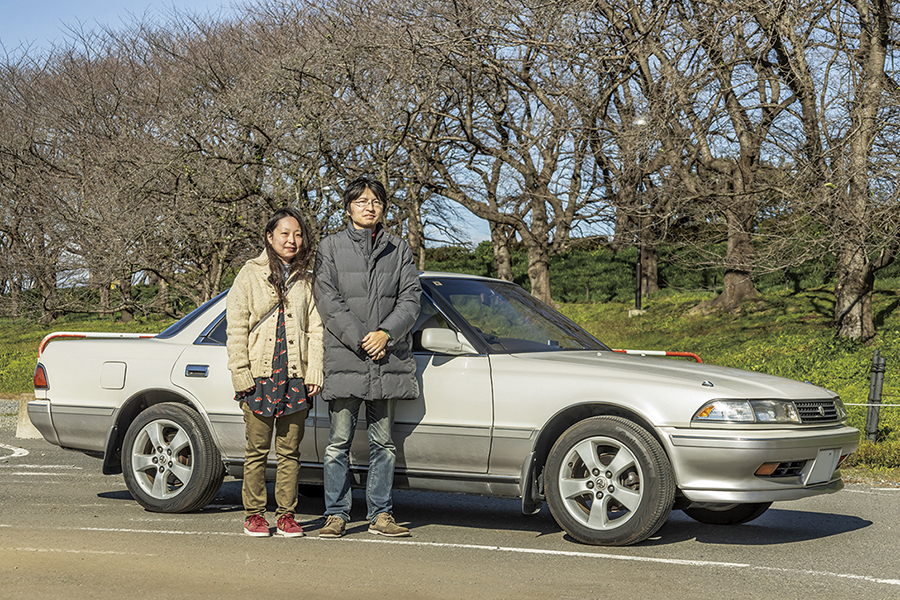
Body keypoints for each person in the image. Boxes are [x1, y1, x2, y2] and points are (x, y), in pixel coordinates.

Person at [314, 176, 421, 538]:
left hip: (387, 360)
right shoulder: (330, 247)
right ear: (348, 208)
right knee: (338, 444)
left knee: (384, 444)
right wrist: (363, 339)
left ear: (383, 207)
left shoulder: (398, 249)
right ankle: (336, 514)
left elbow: (411, 299)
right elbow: (328, 301)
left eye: (375, 201)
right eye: (361, 201)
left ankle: (381, 515)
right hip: (347, 357)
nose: (369, 207)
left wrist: (386, 334)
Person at [226, 207, 323, 538]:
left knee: (290, 452)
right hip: (260, 376)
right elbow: (236, 328)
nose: (292, 240)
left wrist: (315, 371)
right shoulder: (249, 274)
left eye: (298, 234)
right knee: (256, 451)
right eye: (284, 233)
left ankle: (286, 515)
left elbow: (316, 329)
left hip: (295, 376)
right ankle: (254, 514)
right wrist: (240, 373)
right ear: (269, 237)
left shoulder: (307, 279)